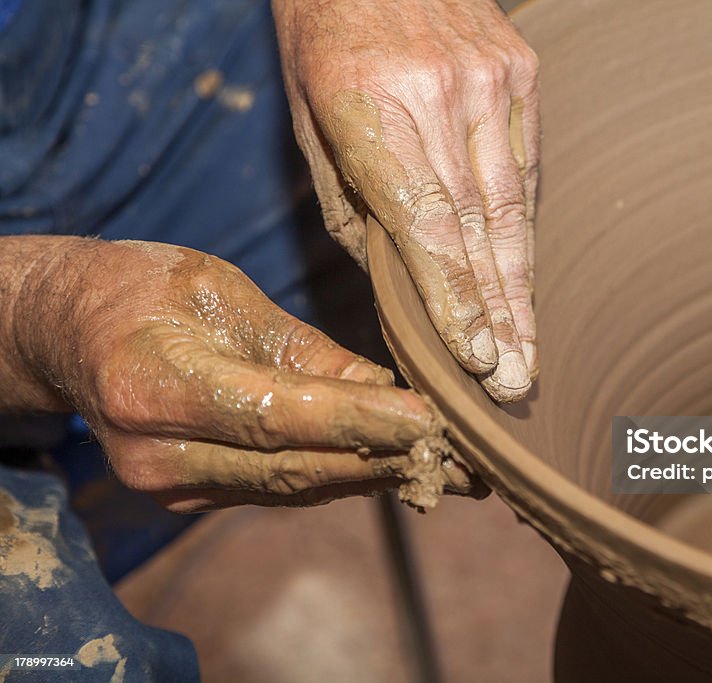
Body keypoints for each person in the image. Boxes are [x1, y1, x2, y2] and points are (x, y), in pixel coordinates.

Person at [0, 0, 539, 679]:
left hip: (69, 39)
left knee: (471, 124)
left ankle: (700, 455)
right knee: (70, 663)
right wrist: (35, 307)